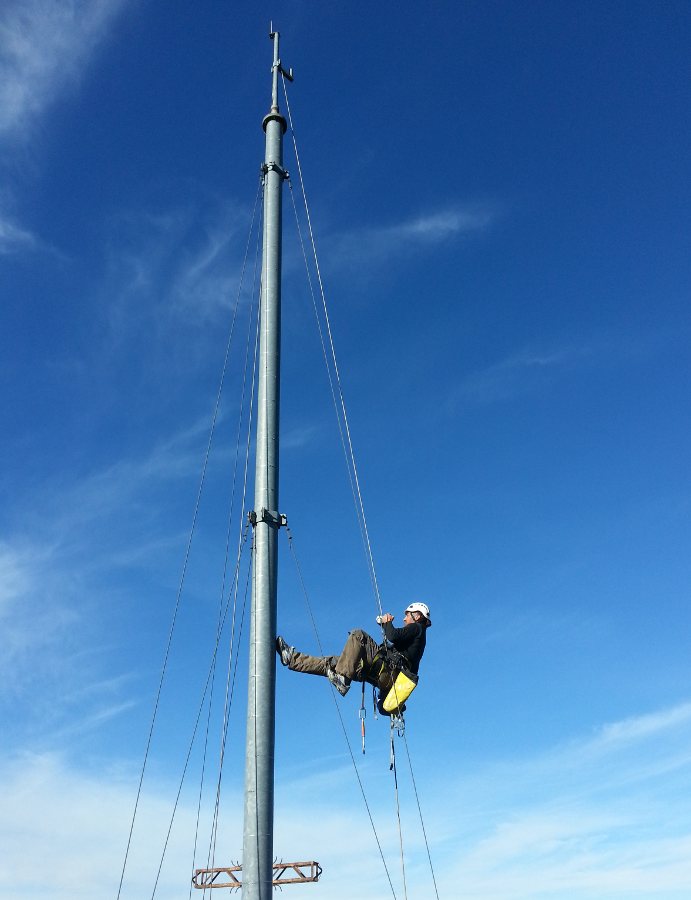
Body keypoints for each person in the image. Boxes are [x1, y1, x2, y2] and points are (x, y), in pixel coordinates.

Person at [276, 602, 432, 697]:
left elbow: (393, 635)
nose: (405, 618)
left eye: (408, 615)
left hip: (387, 671)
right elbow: (394, 641)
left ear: (417, 616)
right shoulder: (415, 639)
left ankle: (342, 679)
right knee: (333, 663)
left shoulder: (417, 628)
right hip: (381, 674)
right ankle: (291, 658)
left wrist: (387, 622)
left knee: (358, 635)